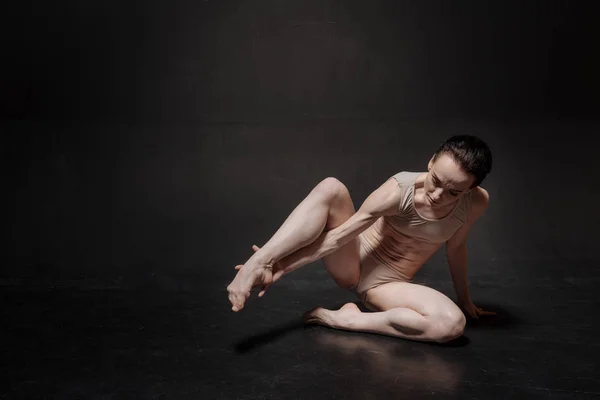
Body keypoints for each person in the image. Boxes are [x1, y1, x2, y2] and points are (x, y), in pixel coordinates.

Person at [227, 135, 496, 343]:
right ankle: (258, 261)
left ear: (471, 189)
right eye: (435, 180)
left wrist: (465, 300)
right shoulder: (398, 191)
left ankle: (347, 320)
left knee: (451, 325)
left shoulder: (475, 203)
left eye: (453, 192)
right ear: (431, 161)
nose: (437, 195)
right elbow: (337, 238)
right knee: (332, 188)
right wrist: (276, 267)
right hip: (352, 260)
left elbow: (457, 248)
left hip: (387, 286)